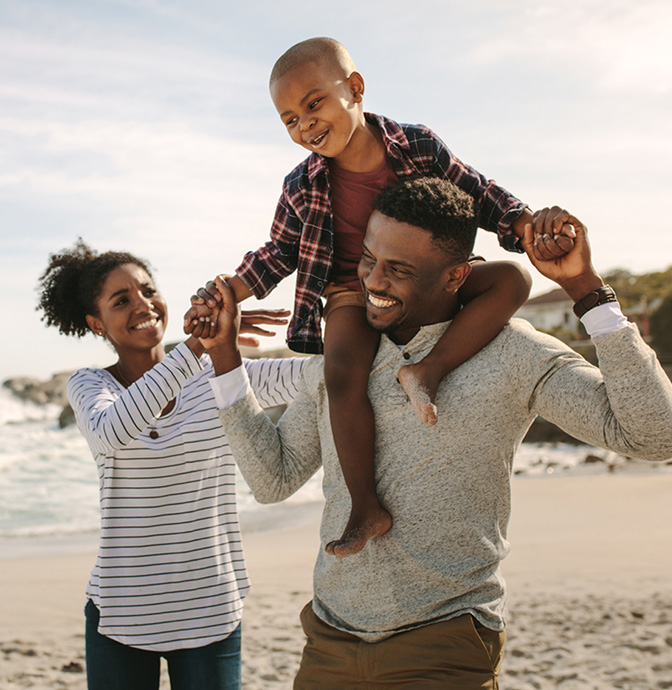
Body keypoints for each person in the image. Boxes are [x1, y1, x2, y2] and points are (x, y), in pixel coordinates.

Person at [205, 177, 672, 689]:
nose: (373, 283)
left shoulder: (511, 352)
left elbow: (655, 436)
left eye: (398, 270)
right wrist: (225, 356)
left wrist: (586, 290)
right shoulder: (344, 358)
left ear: (455, 276)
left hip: (444, 646)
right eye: (367, 259)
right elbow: (273, 480)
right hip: (329, 644)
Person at [186, 37, 576, 557]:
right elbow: (277, 252)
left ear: (354, 88)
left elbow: (480, 193)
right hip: (351, 288)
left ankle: (428, 371)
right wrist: (226, 291)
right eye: (289, 120)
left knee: (512, 282)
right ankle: (365, 507)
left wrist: (526, 223)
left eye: (313, 104)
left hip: (426, 280)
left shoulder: (417, 145)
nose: (304, 126)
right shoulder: (301, 185)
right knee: (341, 371)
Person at [36, 239, 305, 690]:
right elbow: (110, 431)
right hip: (120, 612)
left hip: (211, 608)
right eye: (121, 300)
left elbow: (317, 377)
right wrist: (198, 346)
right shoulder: (90, 386)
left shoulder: (219, 374)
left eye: (147, 290)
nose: (142, 304)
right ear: (96, 323)